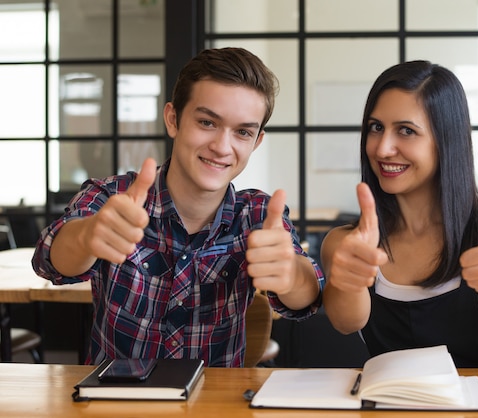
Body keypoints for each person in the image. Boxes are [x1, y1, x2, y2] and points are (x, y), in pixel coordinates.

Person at [32, 47, 325, 367]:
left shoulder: (256, 214)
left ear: (255, 142)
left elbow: (306, 297)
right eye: (207, 122)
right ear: (173, 119)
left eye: (242, 132)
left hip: (214, 407)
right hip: (115, 401)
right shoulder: (114, 196)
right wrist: (87, 236)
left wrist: (292, 277)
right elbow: (50, 262)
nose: (222, 147)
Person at [320, 60, 478, 370]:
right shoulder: (347, 243)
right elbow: (347, 322)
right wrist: (348, 279)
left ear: (446, 141)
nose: (382, 148)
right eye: (376, 128)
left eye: (405, 130)